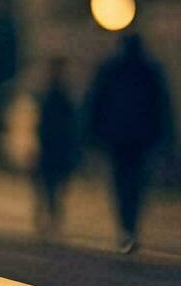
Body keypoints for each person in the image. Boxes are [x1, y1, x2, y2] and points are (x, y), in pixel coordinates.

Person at [87, 34, 172, 253]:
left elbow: (96, 103)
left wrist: (94, 134)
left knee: (121, 183)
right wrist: (163, 137)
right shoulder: (149, 70)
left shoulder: (111, 69)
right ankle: (130, 226)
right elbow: (162, 106)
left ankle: (126, 226)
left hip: (117, 137)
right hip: (141, 138)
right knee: (136, 183)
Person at [34, 58, 78, 234]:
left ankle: (51, 215)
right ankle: (48, 215)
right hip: (50, 146)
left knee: (53, 185)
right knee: (47, 184)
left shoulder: (60, 95)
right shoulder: (50, 94)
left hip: (58, 147)